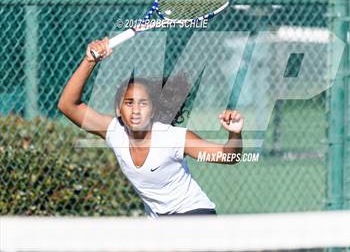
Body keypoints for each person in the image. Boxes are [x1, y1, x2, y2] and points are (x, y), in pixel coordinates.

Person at [58, 38, 244, 217]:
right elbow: (68, 106)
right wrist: (90, 61)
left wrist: (235, 135)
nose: (136, 110)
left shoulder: (172, 138)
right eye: (129, 103)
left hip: (194, 214)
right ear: (118, 109)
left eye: (143, 103)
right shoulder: (115, 132)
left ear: (153, 110)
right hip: (158, 223)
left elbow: (229, 156)